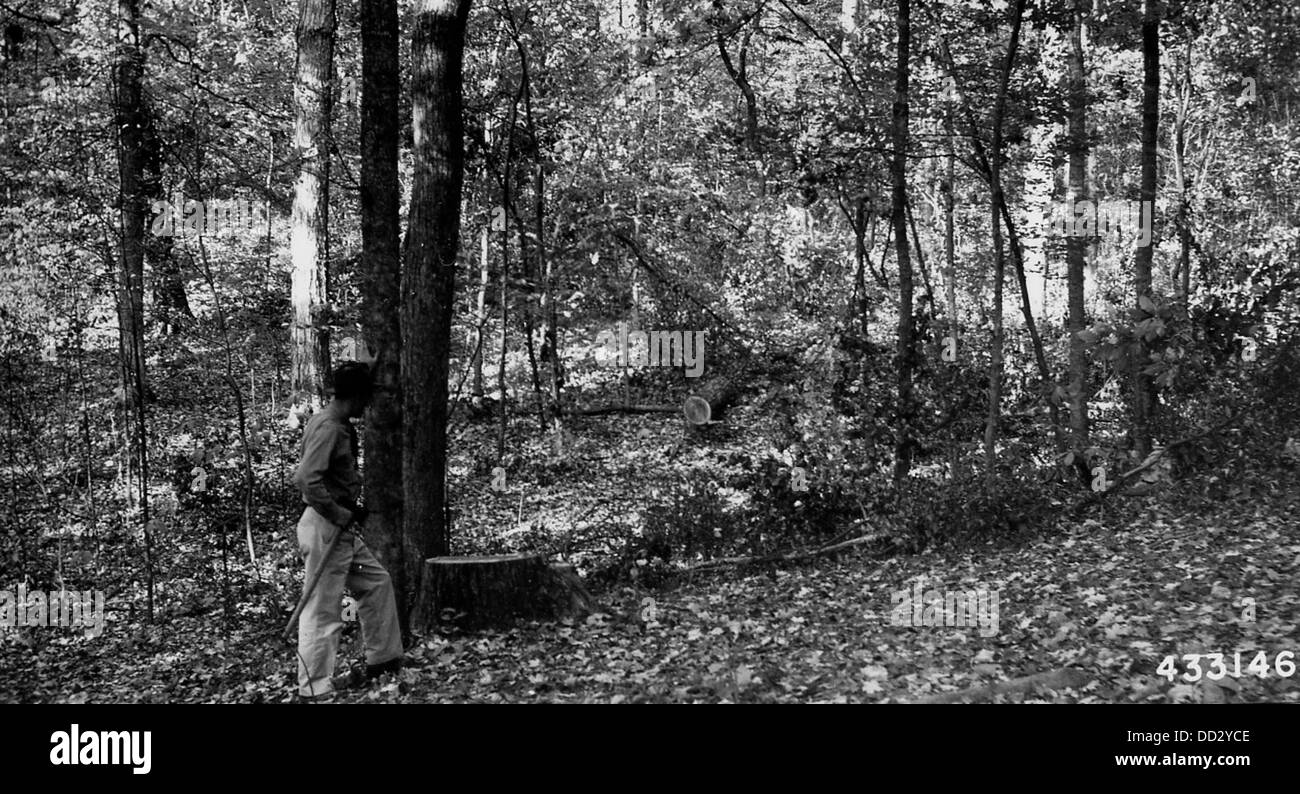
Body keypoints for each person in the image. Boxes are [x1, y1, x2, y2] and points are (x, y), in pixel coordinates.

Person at [292, 362, 403, 699]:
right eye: (363, 398)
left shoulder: (332, 421)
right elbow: (305, 479)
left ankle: (383, 658)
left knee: (376, 582)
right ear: (352, 397)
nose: (365, 406)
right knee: (323, 609)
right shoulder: (328, 427)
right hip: (326, 528)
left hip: (339, 529)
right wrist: (340, 512)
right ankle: (314, 689)